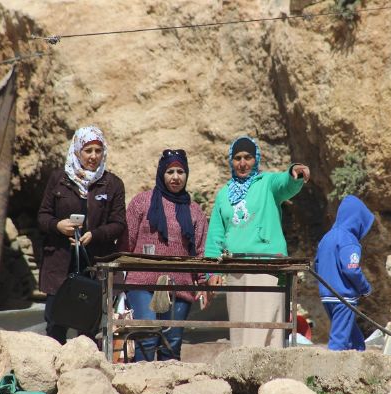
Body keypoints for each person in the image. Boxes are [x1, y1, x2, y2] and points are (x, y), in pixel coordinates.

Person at [204, 136, 310, 348]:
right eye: (237, 158)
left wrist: (294, 172)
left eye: (248, 157)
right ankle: (241, 369)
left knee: (264, 329)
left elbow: (285, 184)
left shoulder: (267, 183)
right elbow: (216, 235)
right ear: (231, 161)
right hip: (235, 270)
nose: (242, 163)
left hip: (266, 267)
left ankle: (266, 369)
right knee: (239, 330)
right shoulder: (224, 194)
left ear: (256, 159)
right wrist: (211, 272)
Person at [118, 149, 220, 361]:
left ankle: (170, 383)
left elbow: (200, 250)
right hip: (141, 282)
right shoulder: (141, 202)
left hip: (180, 285)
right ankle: (141, 381)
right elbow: (126, 242)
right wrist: (118, 276)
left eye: (180, 172)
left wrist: (203, 281)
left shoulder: (194, 210)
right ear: (161, 173)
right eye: (170, 171)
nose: (175, 177)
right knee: (146, 338)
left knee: (171, 344)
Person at [38, 125, 126, 344]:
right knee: (55, 322)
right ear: (77, 151)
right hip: (60, 262)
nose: (93, 156)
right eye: (88, 150)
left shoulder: (112, 184)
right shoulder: (59, 179)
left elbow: (118, 224)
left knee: (88, 325)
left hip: (93, 264)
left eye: (98, 150)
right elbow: (43, 216)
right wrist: (58, 226)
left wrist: (94, 235)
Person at [315, 195, 373, 351]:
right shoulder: (349, 240)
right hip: (343, 297)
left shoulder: (326, 238)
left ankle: (360, 358)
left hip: (327, 296)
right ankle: (330, 366)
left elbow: (317, 265)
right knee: (339, 341)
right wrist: (365, 288)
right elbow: (351, 269)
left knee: (356, 340)